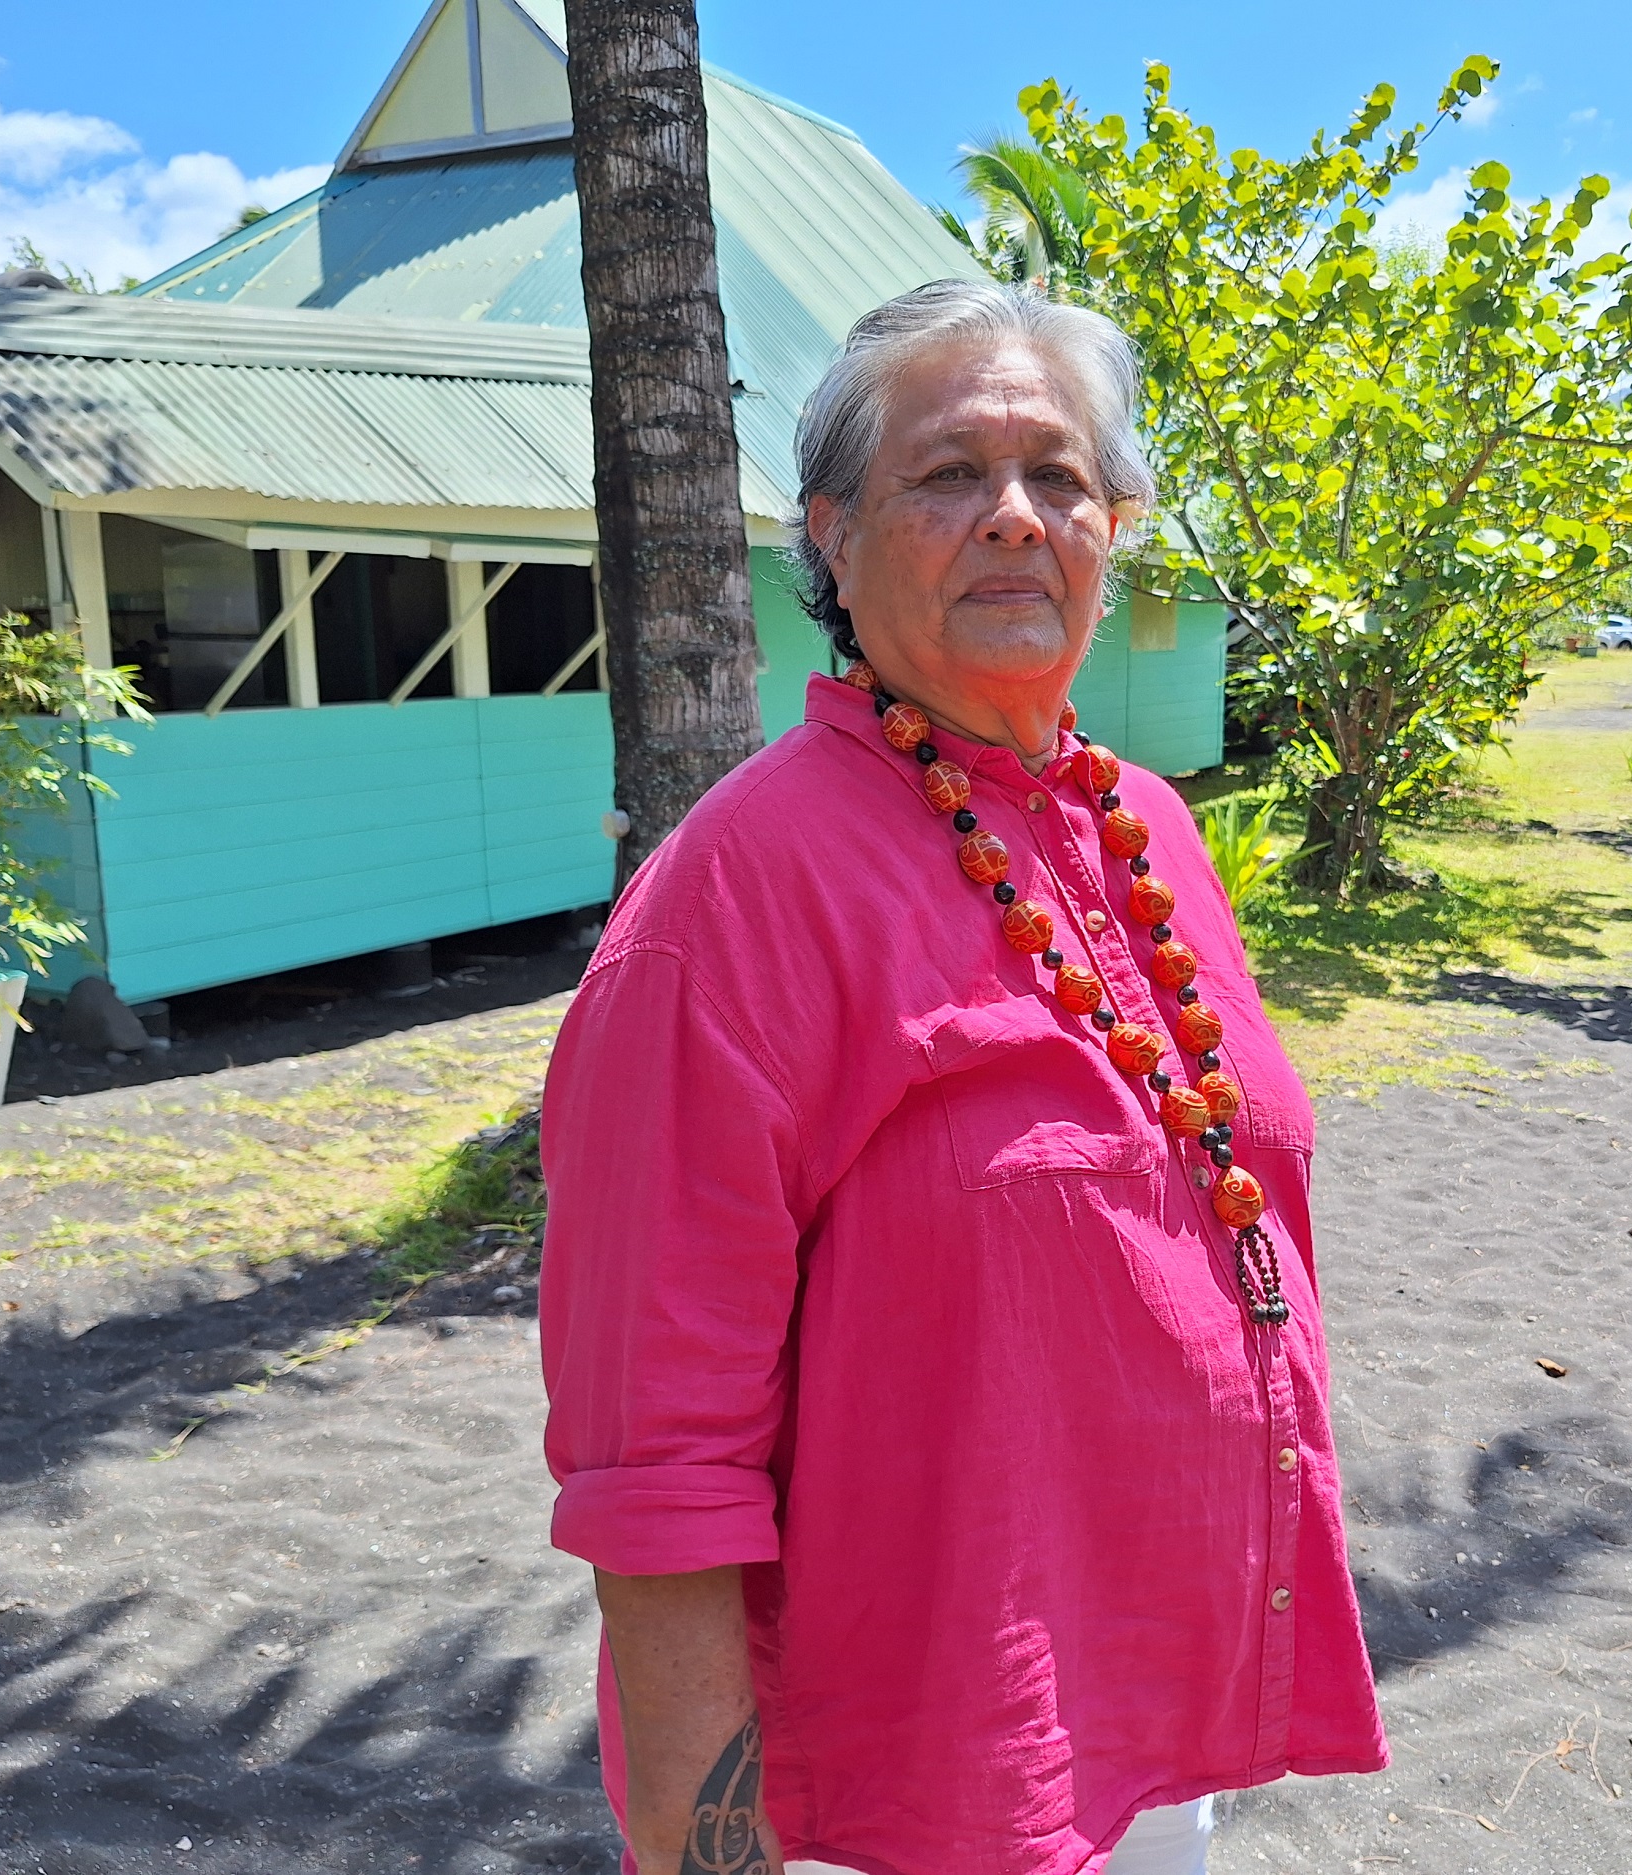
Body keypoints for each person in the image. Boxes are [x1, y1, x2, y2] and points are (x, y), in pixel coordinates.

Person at [537, 279, 1384, 1875]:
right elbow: (654, 1457)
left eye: (1059, 477)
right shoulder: (740, 893)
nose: (1013, 516)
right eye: (947, 475)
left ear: (1112, 531)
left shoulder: (1149, 826)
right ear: (834, 542)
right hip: (909, 1782)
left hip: (1138, 1728)